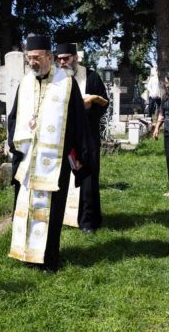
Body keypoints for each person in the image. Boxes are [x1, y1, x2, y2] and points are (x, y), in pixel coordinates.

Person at [7, 35, 90, 273]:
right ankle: (26, 254)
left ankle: (49, 259)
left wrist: (78, 155)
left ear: (49, 57)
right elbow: (14, 117)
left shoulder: (66, 83)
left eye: (36, 58)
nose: (32, 62)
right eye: (29, 58)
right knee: (26, 207)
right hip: (28, 159)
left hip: (55, 160)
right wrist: (15, 149)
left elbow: (78, 121)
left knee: (51, 211)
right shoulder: (25, 83)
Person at [56, 42, 108, 233]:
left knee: (88, 178)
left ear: (76, 58)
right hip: (63, 135)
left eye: (66, 58)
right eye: (59, 59)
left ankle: (88, 220)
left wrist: (90, 106)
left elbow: (104, 104)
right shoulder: (55, 79)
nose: (62, 62)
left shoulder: (91, 77)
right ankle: (62, 216)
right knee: (63, 176)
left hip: (87, 135)